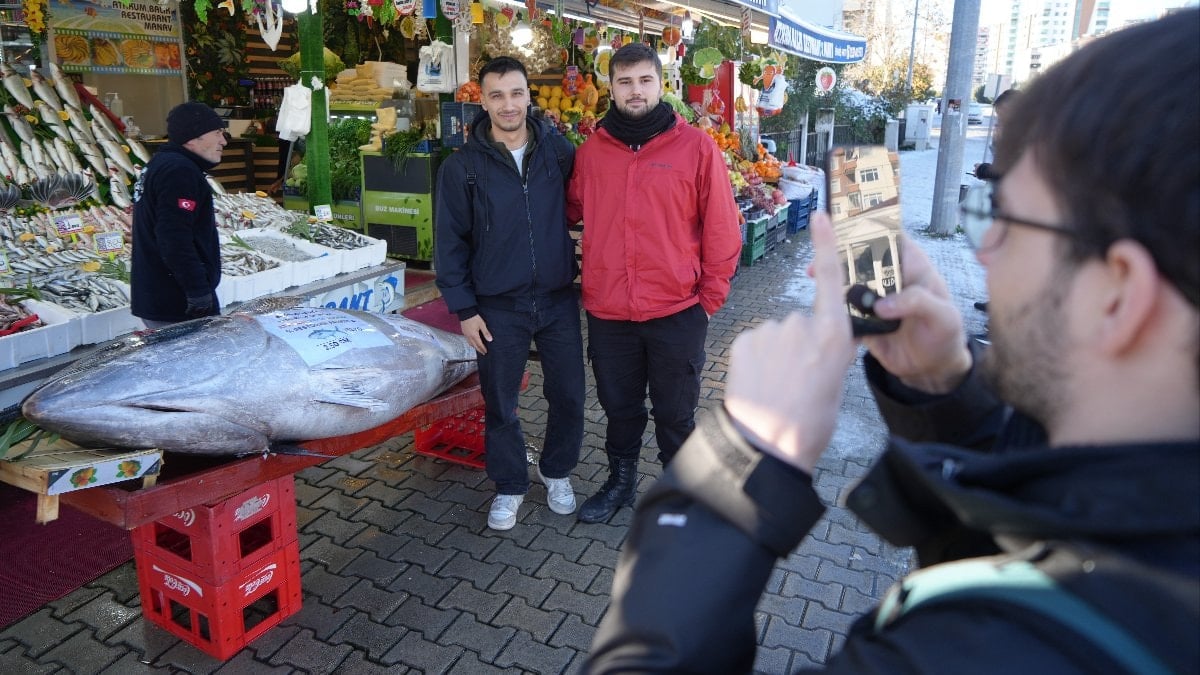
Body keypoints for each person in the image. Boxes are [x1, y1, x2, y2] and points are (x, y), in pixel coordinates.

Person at [584, 10, 1198, 673]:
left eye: (1007, 219)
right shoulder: (1148, 547)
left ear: (1120, 292)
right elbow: (1051, 530)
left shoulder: (984, 648)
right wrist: (945, 395)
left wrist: (740, 459)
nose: (983, 254)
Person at [565, 43, 742, 524]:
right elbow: (569, 211)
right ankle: (620, 484)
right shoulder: (591, 153)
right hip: (609, 312)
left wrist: (708, 300)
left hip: (677, 311)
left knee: (675, 414)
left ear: (662, 84)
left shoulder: (696, 148)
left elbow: (724, 229)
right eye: (625, 82)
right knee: (619, 409)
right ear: (611, 88)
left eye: (644, 80)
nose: (635, 91)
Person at [435, 56, 584, 531]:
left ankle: (556, 471)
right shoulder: (462, 168)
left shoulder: (557, 152)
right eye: (497, 95)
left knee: (570, 395)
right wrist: (464, 308)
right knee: (501, 402)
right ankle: (510, 485)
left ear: (528, 97)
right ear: (482, 100)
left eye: (516, 93)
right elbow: (450, 242)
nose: (508, 104)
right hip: (498, 305)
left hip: (558, 297)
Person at [131, 101, 228, 328]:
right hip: (177, 303)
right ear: (192, 137)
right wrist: (197, 291)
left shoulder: (163, 164)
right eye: (217, 133)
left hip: (162, 298)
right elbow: (173, 237)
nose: (223, 141)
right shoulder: (179, 171)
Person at [972, 87, 1019, 316]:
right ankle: (997, 303)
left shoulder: (1025, 135)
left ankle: (1002, 315)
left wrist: (984, 170)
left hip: (1015, 206)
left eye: (1002, 114)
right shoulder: (1010, 132)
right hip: (1003, 201)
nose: (999, 119)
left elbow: (1012, 172)